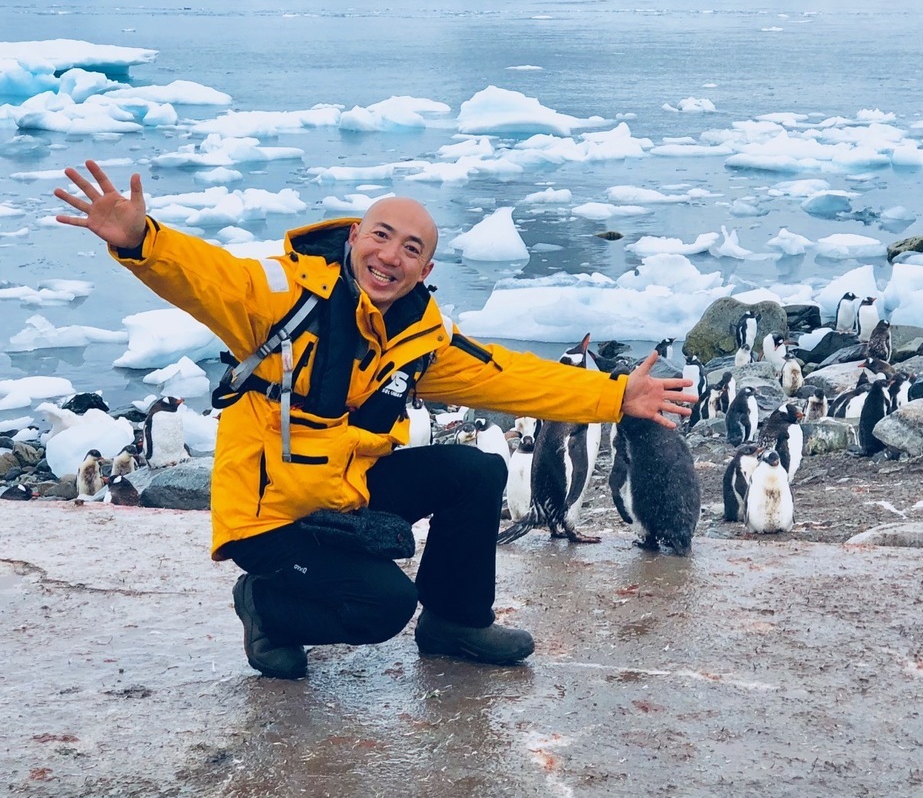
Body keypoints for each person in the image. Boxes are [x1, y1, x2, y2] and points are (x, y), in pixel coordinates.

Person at [54, 160, 697, 680]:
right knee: (383, 605)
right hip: (270, 509)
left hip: (344, 491)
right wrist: (144, 241)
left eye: (411, 248)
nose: (390, 256)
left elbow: (509, 375)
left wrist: (617, 396)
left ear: (427, 269)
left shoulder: (420, 336)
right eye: (381, 236)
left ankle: (455, 621)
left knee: (474, 470)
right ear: (355, 236)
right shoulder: (283, 298)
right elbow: (210, 278)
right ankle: (268, 610)